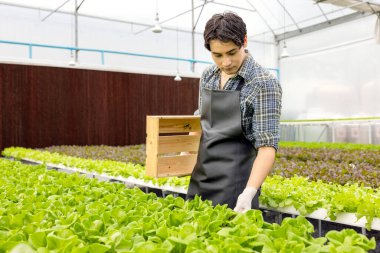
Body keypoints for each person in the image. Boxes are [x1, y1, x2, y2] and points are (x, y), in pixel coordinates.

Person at [186, 11, 282, 213]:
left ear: (244, 41)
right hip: (202, 177)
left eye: (231, 53)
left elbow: (267, 147)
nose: (225, 63)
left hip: (237, 184)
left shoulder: (263, 83)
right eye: (217, 55)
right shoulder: (208, 75)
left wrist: (249, 192)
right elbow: (203, 118)